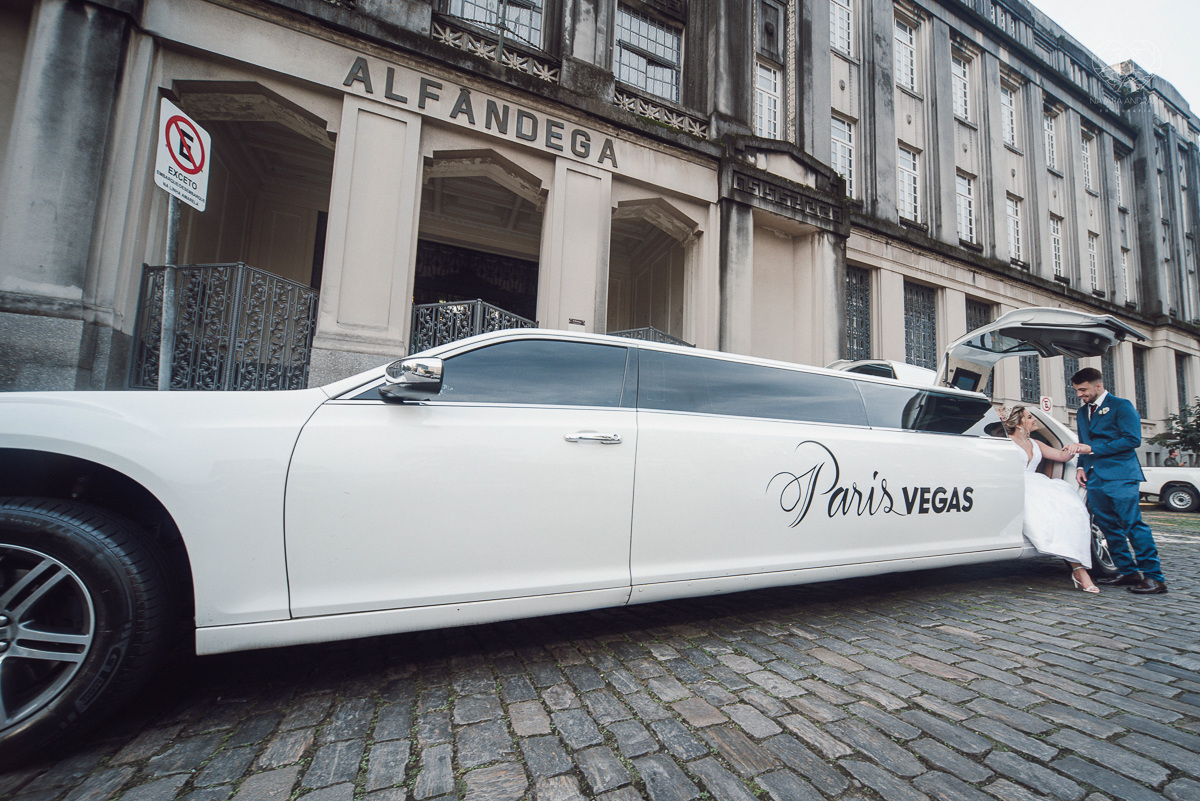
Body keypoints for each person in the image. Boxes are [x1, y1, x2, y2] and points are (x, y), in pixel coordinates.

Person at [1072, 367, 1168, 594]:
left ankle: (1154, 578)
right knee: (1108, 527)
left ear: (1098, 385)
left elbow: (1132, 439)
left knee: (1133, 525)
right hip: (1094, 477)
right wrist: (1080, 466)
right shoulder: (1081, 412)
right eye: (1076, 391)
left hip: (1121, 475)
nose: (1080, 395)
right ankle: (1128, 572)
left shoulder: (1121, 405)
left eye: (1083, 390)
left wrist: (1092, 448)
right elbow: (1083, 442)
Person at [1001, 406, 1098, 592]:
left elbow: (1061, 456)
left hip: (1038, 483)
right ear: (1019, 422)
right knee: (1044, 511)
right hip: (1015, 483)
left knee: (1071, 509)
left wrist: (1072, 448)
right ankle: (1079, 571)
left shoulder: (1035, 443)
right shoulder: (1005, 442)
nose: (1034, 420)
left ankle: (1078, 568)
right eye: (1030, 417)